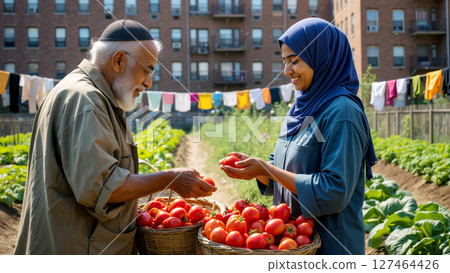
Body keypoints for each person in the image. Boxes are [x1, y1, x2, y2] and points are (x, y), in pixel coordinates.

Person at [15, 19, 216, 255]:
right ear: (119, 60)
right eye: (147, 69)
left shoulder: (89, 94)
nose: (149, 82)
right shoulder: (86, 101)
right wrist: (171, 178)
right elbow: (103, 188)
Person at [220, 18, 377, 255]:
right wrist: (259, 169)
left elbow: (334, 191)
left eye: (295, 60)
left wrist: (267, 169)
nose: (286, 71)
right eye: (285, 61)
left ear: (322, 58)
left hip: (331, 249)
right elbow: (283, 171)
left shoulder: (342, 112)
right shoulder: (302, 107)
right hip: (293, 246)